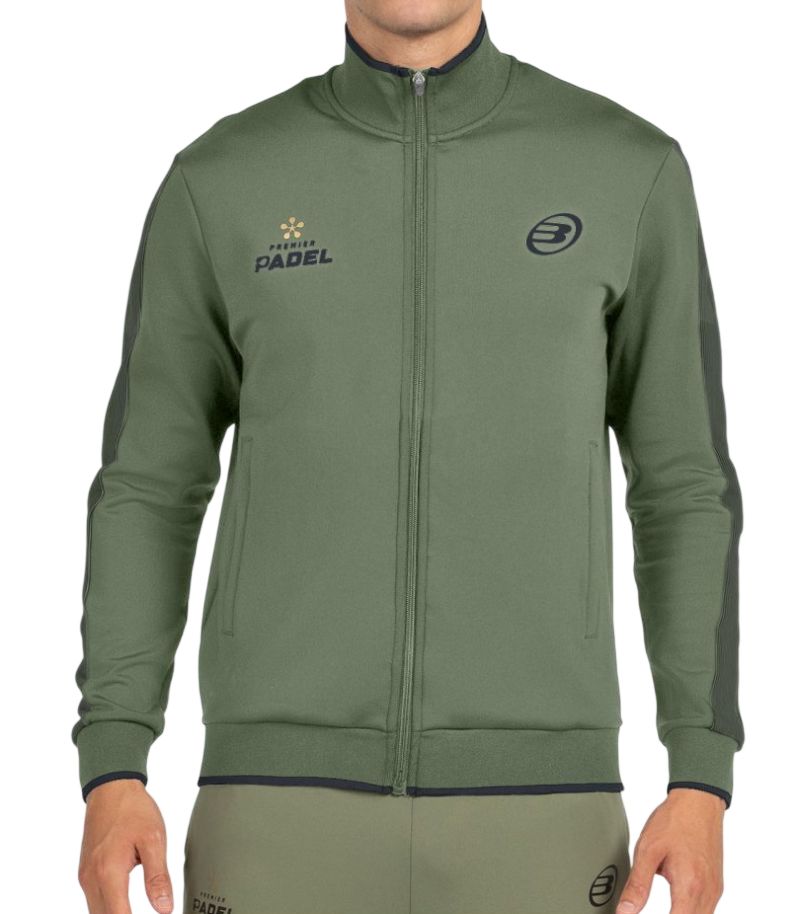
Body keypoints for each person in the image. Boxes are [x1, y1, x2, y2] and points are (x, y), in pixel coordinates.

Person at [74, 2, 744, 912]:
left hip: (544, 810)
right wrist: (114, 758)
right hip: (272, 809)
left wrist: (699, 773)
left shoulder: (627, 170)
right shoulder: (222, 180)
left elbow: (683, 487)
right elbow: (148, 485)